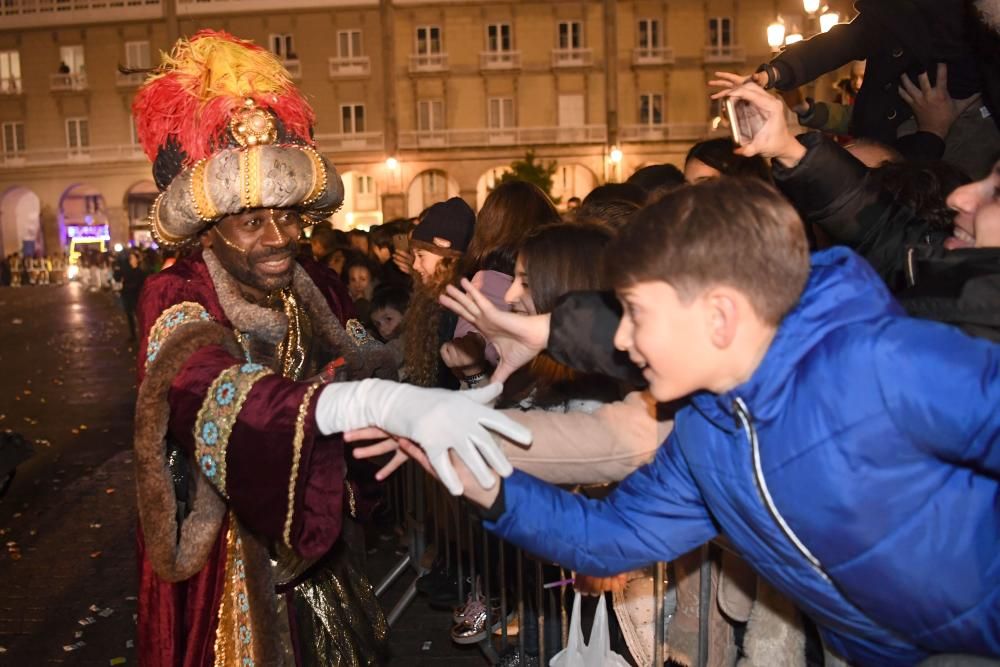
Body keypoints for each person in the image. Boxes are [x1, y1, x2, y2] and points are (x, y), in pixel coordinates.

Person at [405, 177, 1000, 666]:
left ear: (719, 317)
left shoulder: (879, 365)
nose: (621, 338)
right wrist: (481, 483)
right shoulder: (702, 431)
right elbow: (609, 538)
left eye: (636, 314)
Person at [130, 30, 524, 666]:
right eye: (252, 220)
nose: (279, 235)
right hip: (230, 557)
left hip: (319, 540)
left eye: (288, 214)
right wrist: (343, 404)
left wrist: (471, 356)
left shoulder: (315, 284)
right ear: (210, 228)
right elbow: (200, 385)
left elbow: (372, 356)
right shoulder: (178, 291)